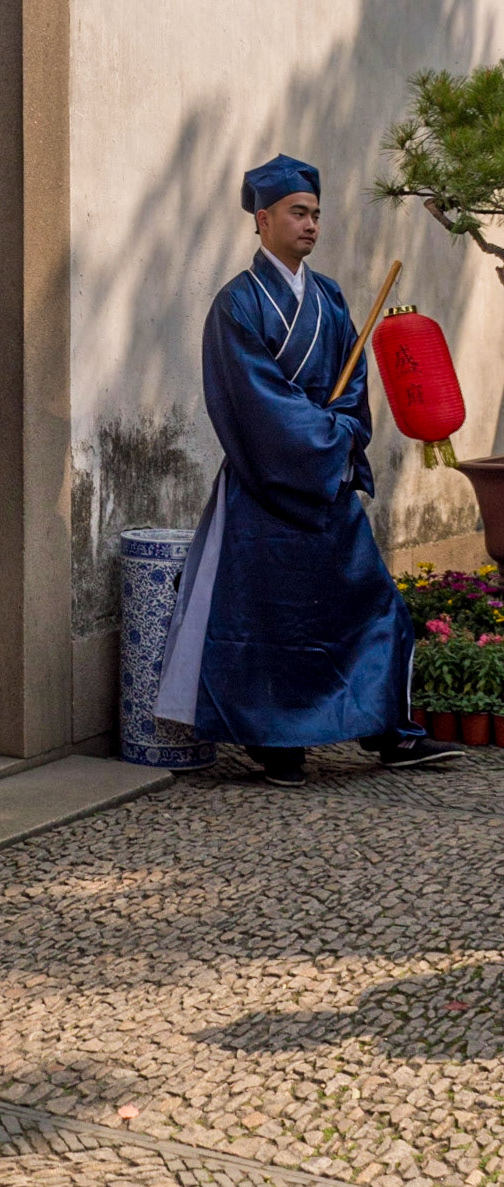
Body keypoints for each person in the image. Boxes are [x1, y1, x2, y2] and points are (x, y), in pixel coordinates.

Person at [156, 152, 463, 787]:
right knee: (269, 621)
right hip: (263, 491)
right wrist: (327, 439)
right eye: (299, 212)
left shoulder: (328, 298)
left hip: (326, 489)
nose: (312, 224)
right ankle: (278, 745)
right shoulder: (235, 306)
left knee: (373, 606)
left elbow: (354, 393)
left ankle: (391, 733)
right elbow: (253, 404)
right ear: (262, 220)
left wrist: (343, 434)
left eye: (317, 214)